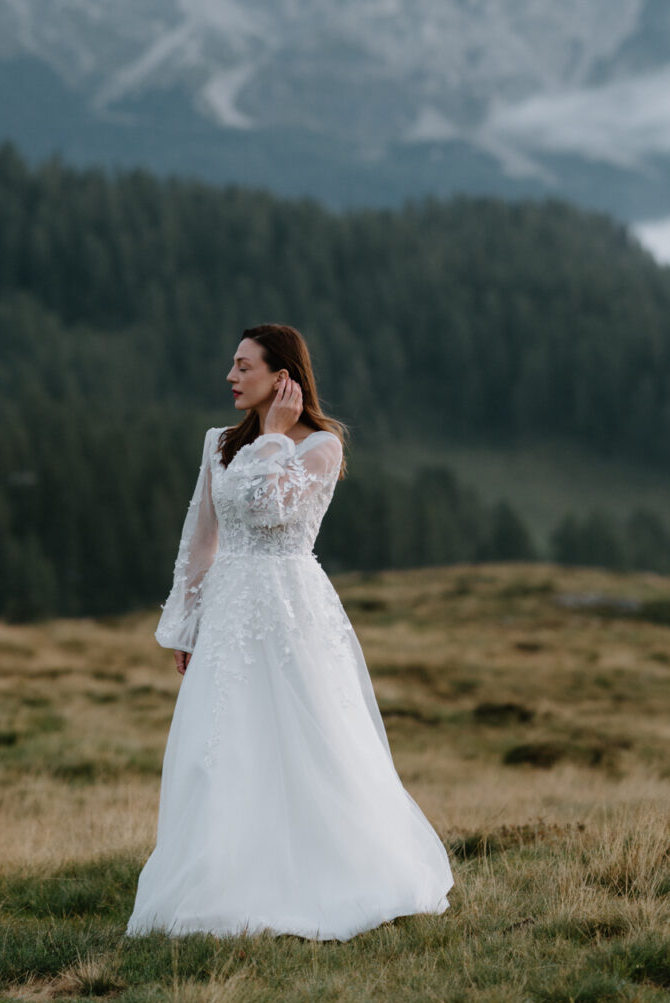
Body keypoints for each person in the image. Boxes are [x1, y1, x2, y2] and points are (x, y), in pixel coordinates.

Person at [125, 323, 454, 942]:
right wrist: (186, 623)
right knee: (219, 744)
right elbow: (202, 537)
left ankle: (333, 878)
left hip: (289, 609)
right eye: (232, 364)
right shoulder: (217, 443)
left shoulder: (320, 447)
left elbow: (274, 508)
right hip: (229, 611)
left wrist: (274, 437)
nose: (230, 376)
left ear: (282, 378)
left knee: (310, 739)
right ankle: (215, 884)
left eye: (244, 366)